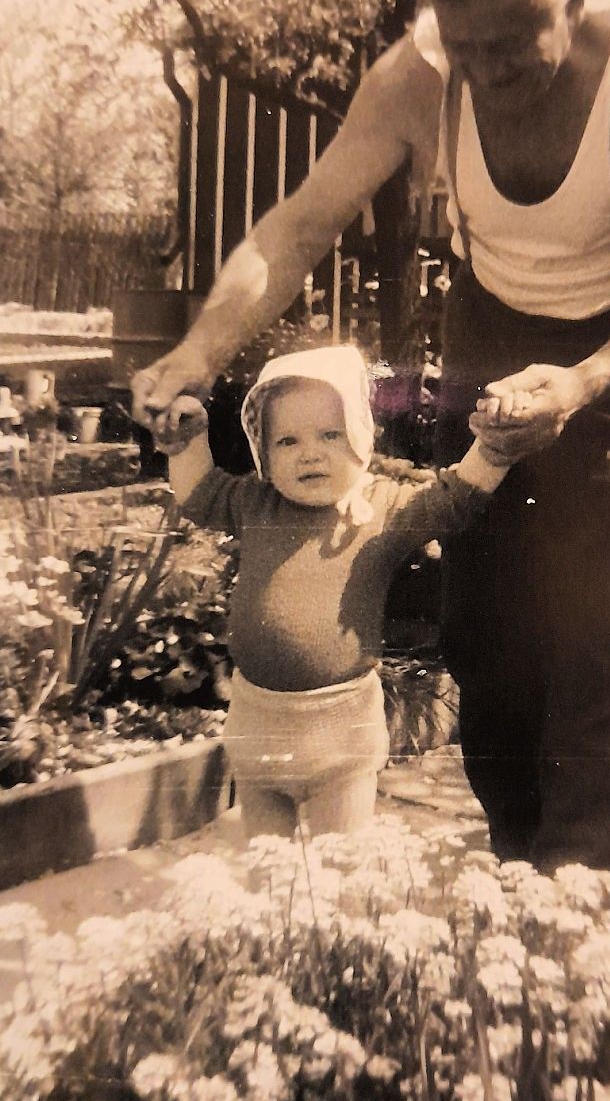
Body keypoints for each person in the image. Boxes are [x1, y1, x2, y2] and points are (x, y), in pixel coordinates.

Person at [133, 0, 610, 879]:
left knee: (606, 645)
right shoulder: (415, 77)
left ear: (576, 1)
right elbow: (298, 226)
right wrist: (195, 353)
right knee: (486, 630)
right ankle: (517, 869)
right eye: (466, 44)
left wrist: (583, 381)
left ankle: (577, 904)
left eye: (515, 42)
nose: (487, 70)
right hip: (495, 324)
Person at [152, 344, 521, 840]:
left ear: (361, 436)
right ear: (262, 452)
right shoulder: (255, 504)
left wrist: (494, 448)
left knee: (339, 859)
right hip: (258, 725)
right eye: (287, 441)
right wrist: (187, 440)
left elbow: (451, 501)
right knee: (268, 864)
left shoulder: (381, 509)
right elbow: (200, 494)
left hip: (340, 732)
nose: (310, 452)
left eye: (331, 434)